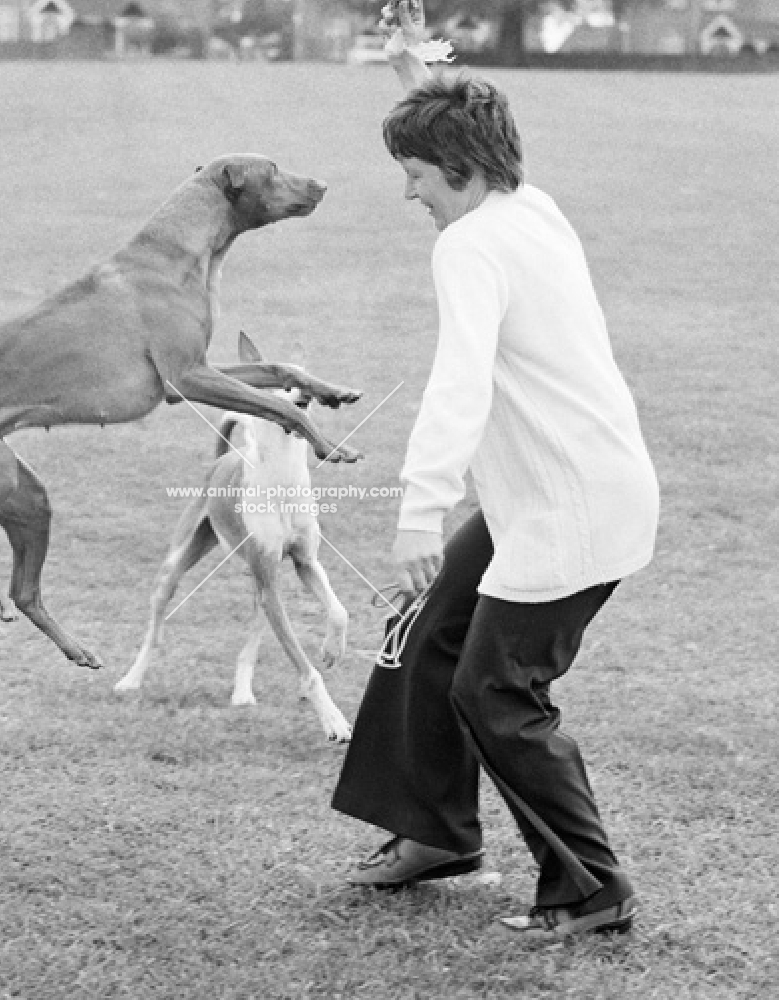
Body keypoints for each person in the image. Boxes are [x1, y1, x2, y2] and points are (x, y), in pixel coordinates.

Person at [331, 4, 660, 939]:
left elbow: (458, 386)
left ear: (460, 173)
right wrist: (415, 73)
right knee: (431, 631)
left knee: (497, 693)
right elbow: (467, 138)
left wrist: (416, 515)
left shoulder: (470, 245)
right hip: (562, 493)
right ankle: (434, 831)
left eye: (416, 175)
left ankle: (592, 889)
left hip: (572, 510)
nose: (410, 194)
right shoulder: (525, 204)